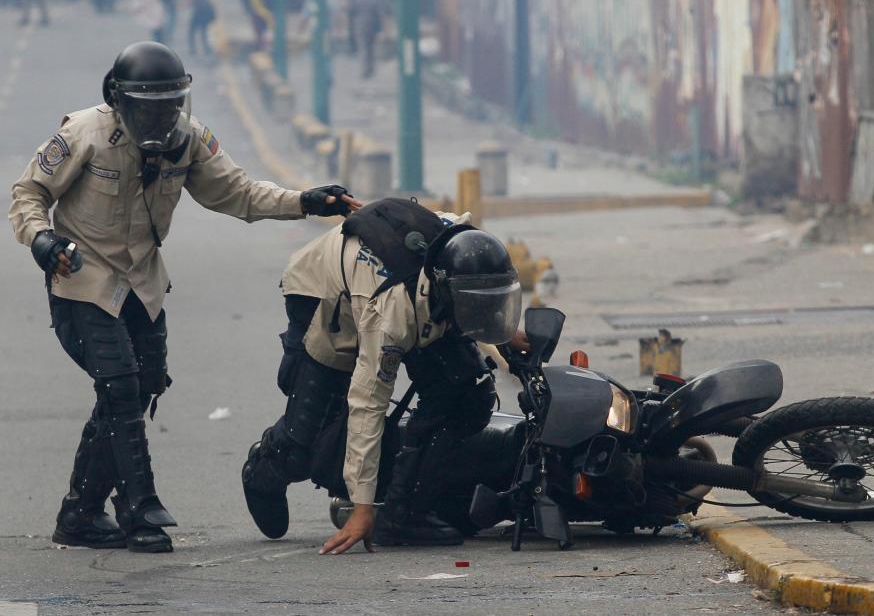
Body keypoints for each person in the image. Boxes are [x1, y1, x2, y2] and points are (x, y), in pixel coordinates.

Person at [8, 41, 362, 554]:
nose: (161, 118)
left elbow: (238, 192)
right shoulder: (85, 134)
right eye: (149, 107)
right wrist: (42, 240)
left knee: (141, 385)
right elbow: (29, 193)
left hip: (143, 283)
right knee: (121, 384)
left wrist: (304, 201)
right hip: (81, 280)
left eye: (171, 105)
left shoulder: (190, 140)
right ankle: (139, 510)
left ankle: (80, 512)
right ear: (120, 101)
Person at [242, 198, 528, 552]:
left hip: (418, 296)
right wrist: (362, 510)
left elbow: (478, 295)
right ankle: (266, 465)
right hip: (325, 294)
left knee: (465, 394)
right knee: (312, 440)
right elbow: (368, 403)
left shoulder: (461, 251)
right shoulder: (391, 315)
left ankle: (405, 512)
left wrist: (503, 328)